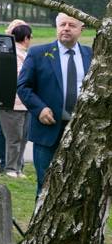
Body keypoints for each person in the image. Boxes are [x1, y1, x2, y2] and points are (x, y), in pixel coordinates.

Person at [17, 13, 93, 195]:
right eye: (62, 24)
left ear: (81, 29)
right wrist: (40, 109)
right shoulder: (38, 53)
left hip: (82, 131)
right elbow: (23, 86)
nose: (66, 28)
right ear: (57, 27)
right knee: (45, 186)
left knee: (78, 188)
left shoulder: (91, 55)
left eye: (71, 25)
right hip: (48, 129)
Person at [0, 24, 32, 178]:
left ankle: (19, 168)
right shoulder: (13, 54)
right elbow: (18, 77)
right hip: (13, 103)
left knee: (23, 138)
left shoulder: (25, 54)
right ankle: (11, 168)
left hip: (26, 104)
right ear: (26, 38)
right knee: (14, 138)